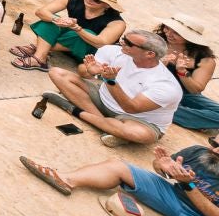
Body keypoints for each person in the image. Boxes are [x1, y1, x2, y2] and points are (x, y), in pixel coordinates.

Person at [18, 140, 219, 216]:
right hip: (178, 195)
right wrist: (162, 166)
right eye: (214, 143)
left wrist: (188, 185)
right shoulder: (199, 152)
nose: (214, 150)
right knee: (118, 166)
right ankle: (65, 179)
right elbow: (160, 167)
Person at [43, 31, 185, 148]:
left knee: (139, 134)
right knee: (57, 73)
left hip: (137, 119)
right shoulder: (112, 51)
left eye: (129, 43)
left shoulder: (166, 85)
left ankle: (75, 110)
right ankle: (106, 125)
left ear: (150, 54)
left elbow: (131, 107)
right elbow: (82, 72)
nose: (122, 42)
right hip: (103, 96)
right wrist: (89, 71)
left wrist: (111, 81)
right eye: (124, 39)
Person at [15, 0, 128, 70]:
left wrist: (77, 28)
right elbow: (41, 12)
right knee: (50, 20)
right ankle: (40, 58)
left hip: (88, 54)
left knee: (88, 33)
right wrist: (57, 20)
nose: (89, 0)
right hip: (67, 42)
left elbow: (101, 43)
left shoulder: (117, 23)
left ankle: (38, 49)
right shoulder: (71, 0)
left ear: (107, 5)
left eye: (96, 0)